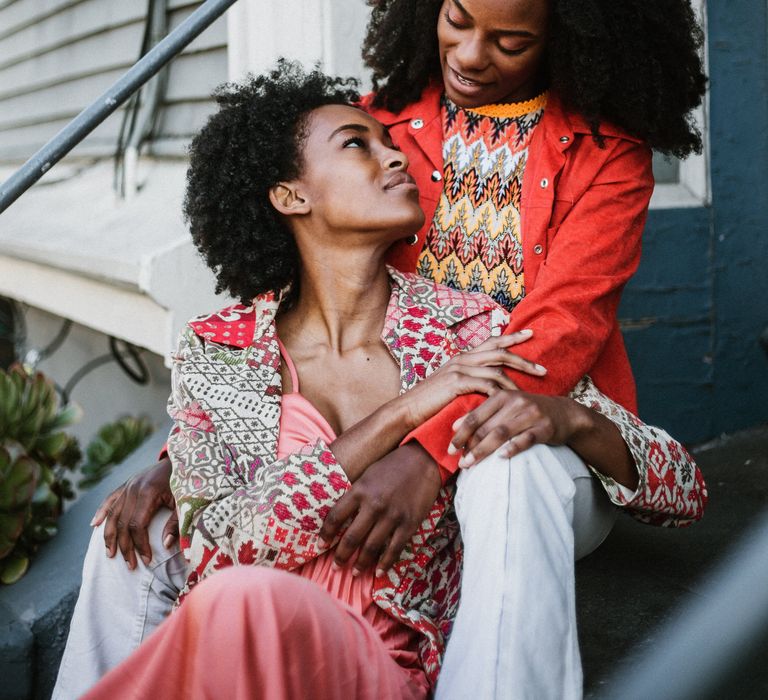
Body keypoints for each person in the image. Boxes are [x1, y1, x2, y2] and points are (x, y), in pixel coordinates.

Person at [58, 0, 709, 694]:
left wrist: (430, 453)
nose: (467, 55)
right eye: (456, 19)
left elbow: (559, 329)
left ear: (565, 37)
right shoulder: (383, 121)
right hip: (391, 415)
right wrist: (189, 460)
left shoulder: (593, 170)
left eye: (510, 41)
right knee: (133, 536)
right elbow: (291, 295)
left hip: (510, 417)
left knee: (503, 464)